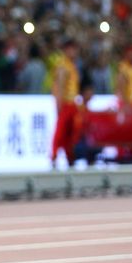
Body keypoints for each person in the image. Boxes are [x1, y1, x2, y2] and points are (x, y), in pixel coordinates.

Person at [51, 38, 80, 168]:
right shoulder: (63, 66)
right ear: (66, 50)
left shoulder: (72, 66)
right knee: (61, 132)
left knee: (71, 134)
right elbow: (59, 86)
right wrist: (59, 105)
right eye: (71, 49)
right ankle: (54, 157)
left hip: (73, 103)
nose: (74, 52)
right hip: (66, 103)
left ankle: (70, 157)